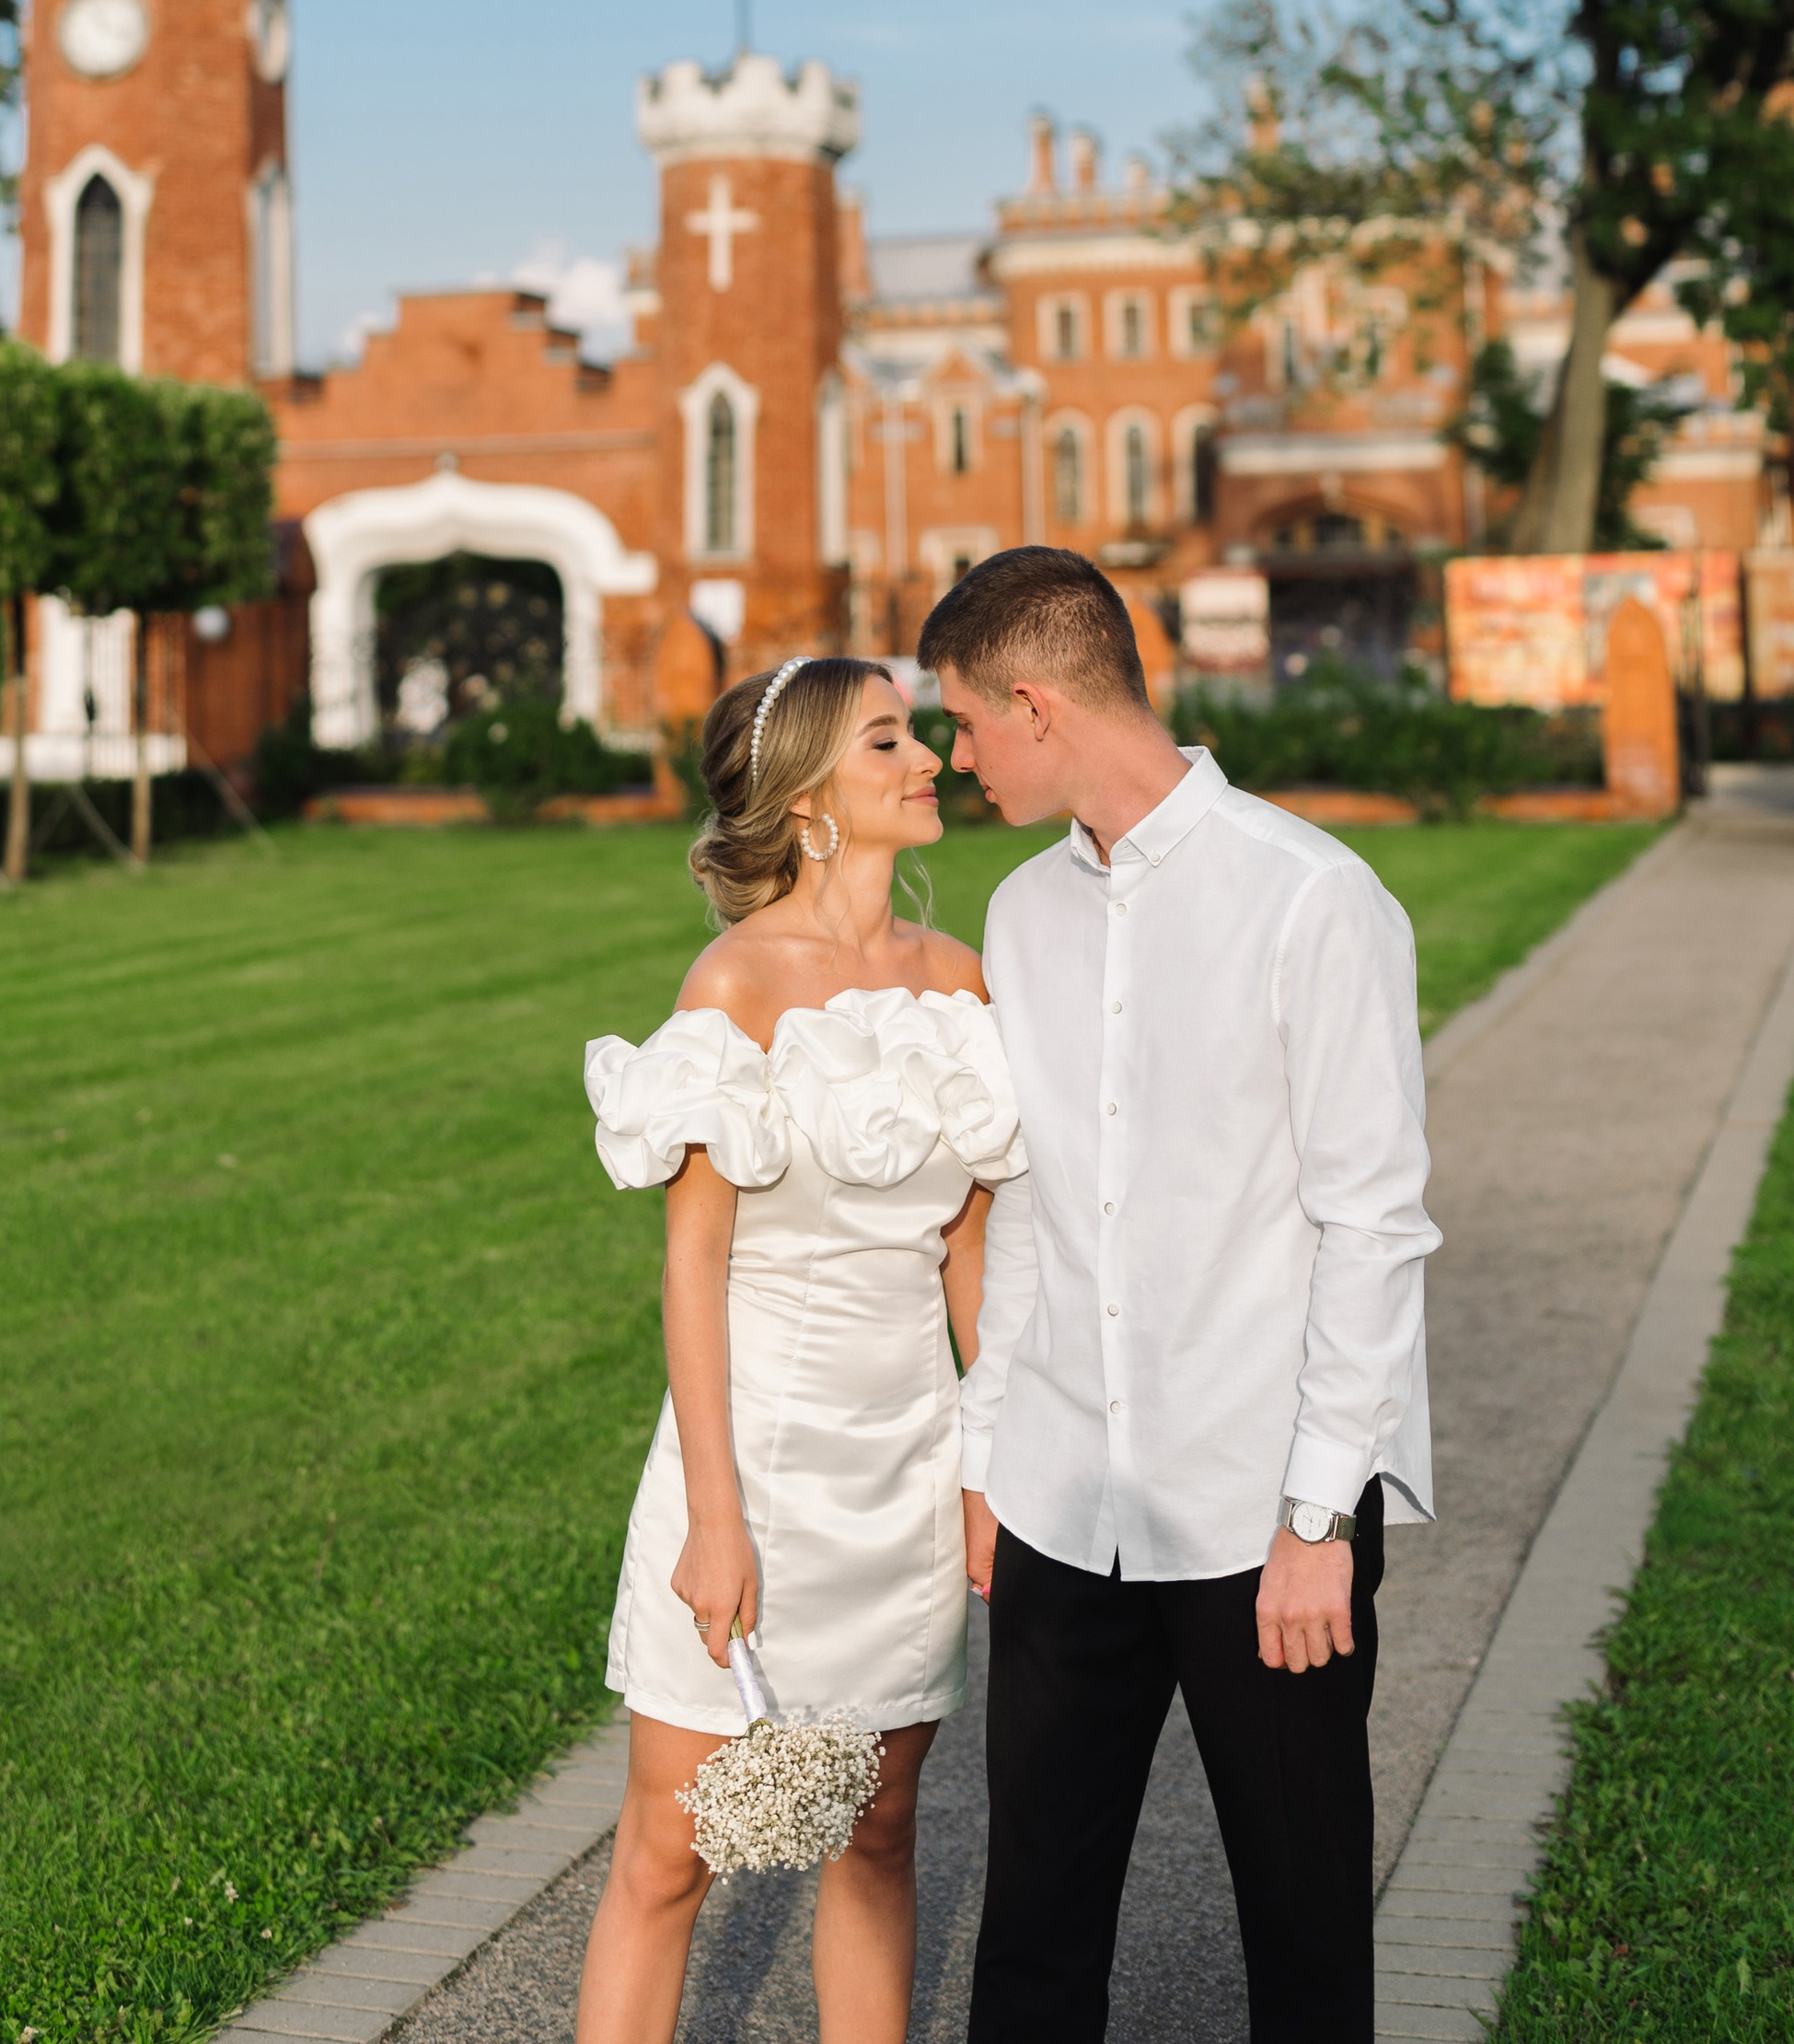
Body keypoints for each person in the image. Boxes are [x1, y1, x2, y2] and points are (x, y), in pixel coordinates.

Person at [920, 547, 1440, 2044]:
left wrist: (1314, 1525)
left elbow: (1374, 1227)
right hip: (1062, 1501)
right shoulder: (1022, 917)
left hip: (1259, 1519)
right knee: (1031, 1935)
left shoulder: (1312, 902)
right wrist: (987, 1462)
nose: (959, 760)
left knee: (1301, 1935)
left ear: (1034, 701)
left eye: (965, 725)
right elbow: (1021, 1215)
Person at [574, 655, 1025, 2044]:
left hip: (906, 1461)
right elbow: (693, 1259)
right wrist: (716, 1519)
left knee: (879, 1833)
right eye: (891, 739)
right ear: (814, 796)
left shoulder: (961, 983)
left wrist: (988, 1467)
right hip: (756, 1465)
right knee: (670, 1852)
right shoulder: (738, 982)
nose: (930, 757)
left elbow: (972, 1251)